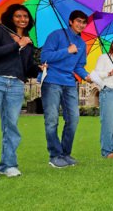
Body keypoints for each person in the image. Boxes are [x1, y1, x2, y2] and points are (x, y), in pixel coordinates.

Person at [0, 4, 43, 181]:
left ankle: (8, 165)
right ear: (10, 18)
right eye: (18, 16)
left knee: (11, 126)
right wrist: (15, 45)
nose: (22, 19)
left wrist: (39, 69)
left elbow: (26, 68)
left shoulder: (28, 41)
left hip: (16, 85)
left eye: (25, 16)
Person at [41, 10, 92, 168]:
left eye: (84, 22)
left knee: (73, 119)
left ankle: (65, 153)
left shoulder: (82, 44)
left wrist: (88, 77)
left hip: (69, 83)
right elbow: (45, 57)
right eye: (78, 21)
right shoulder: (56, 35)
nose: (81, 25)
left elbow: (79, 66)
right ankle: (54, 155)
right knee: (52, 120)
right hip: (52, 81)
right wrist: (66, 51)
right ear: (70, 21)